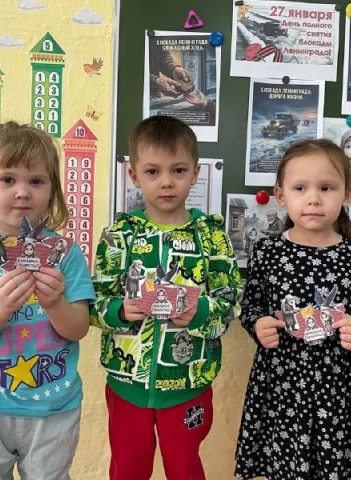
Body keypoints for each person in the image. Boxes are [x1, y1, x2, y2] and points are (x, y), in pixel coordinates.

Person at [0, 121, 96, 479]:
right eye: (8, 179)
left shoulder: (65, 253)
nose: (23, 192)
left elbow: (78, 329)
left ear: (52, 188)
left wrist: (54, 303)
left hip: (53, 408)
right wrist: (0, 307)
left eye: (36, 181)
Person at [91, 115, 241, 480]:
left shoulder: (212, 237)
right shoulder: (119, 235)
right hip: (127, 385)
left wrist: (200, 312)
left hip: (189, 383)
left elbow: (230, 301)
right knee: (127, 470)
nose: (167, 182)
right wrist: (119, 311)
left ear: (196, 173)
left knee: (185, 470)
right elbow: (92, 302)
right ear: (134, 175)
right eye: (153, 172)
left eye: (178, 170)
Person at [235, 138, 351, 479]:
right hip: (280, 385)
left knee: (332, 468)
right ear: (281, 195)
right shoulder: (267, 252)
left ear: (347, 195)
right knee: (281, 467)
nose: (313, 199)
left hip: (336, 389)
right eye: (300, 188)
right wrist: (258, 324)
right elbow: (251, 307)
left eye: (326, 188)